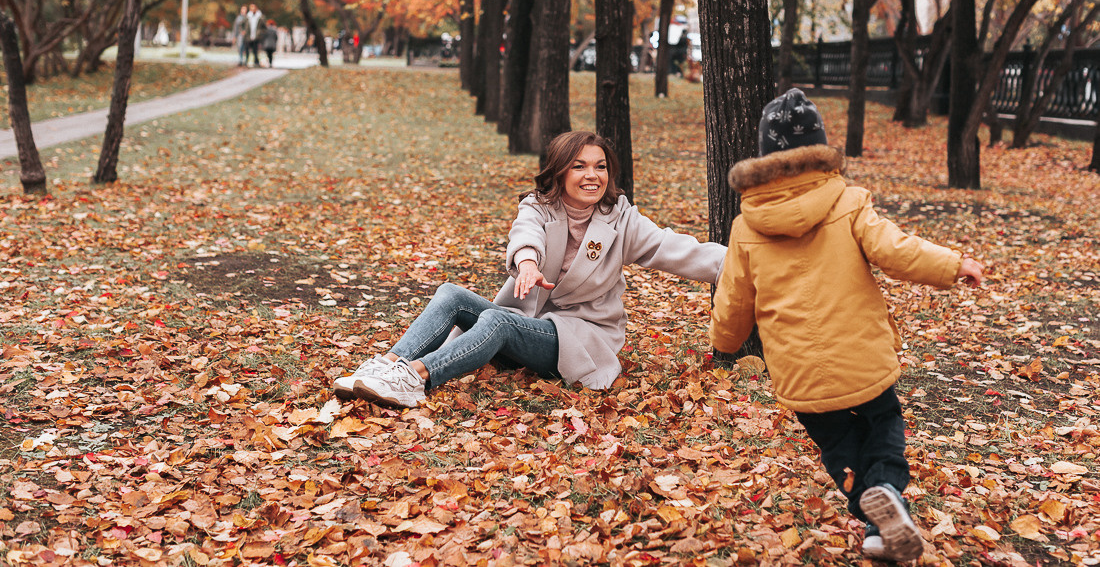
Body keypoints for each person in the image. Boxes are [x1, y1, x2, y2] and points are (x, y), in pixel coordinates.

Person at [709, 88, 984, 562]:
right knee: (884, 425)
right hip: (861, 356)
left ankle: (876, 523)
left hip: (798, 371)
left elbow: (734, 299)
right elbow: (897, 251)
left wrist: (722, 344)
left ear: (764, 160)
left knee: (839, 443)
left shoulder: (745, 227)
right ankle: (888, 492)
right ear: (822, 153)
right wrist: (953, 264)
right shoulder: (850, 203)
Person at [335, 130, 727, 406]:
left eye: (600, 166)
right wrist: (526, 264)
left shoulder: (621, 220)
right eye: (579, 166)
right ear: (560, 171)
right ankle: (385, 368)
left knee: (498, 321)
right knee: (451, 294)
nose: (592, 176)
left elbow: (677, 249)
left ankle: (415, 378)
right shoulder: (539, 206)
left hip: (579, 338)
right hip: (528, 322)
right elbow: (526, 235)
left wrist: (745, 264)